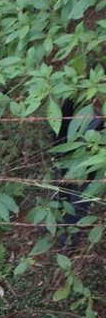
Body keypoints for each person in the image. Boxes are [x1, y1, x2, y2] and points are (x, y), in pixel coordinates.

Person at [54, 98, 104, 249]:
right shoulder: (76, 98)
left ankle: (67, 241)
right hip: (69, 152)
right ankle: (58, 229)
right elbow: (63, 122)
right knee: (62, 191)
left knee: (78, 200)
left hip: (91, 164)